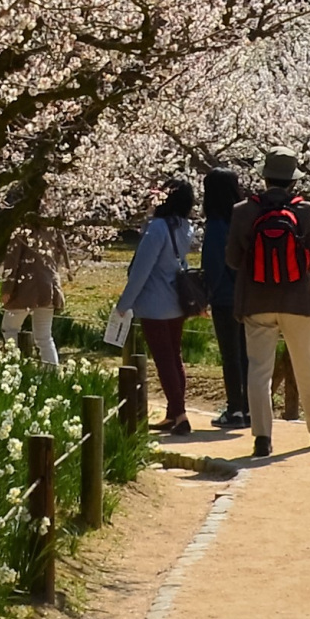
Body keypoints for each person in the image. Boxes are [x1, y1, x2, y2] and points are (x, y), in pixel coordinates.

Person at [225, 151, 310, 458]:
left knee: (259, 370)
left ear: (264, 176)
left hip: (256, 299)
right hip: (298, 299)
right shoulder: (306, 210)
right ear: (292, 180)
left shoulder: (243, 211)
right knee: (308, 366)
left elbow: (232, 259)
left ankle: (262, 438)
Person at [114, 180, 196, 433]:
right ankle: (173, 414)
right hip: (176, 301)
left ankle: (180, 414)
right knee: (174, 356)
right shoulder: (185, 227)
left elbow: (141, 269)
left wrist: (124, 304)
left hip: (155, 304)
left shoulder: (158, 228)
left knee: (164, 359)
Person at [201, 164, 248, 430]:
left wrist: (206, 294)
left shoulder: (217, 225)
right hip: (248, 295)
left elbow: (215, 266)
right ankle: (250, 407)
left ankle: (235, 409)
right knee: (247, 355)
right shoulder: (243, 219)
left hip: (224, 298)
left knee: (230, 355)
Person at [0, 228, 63, 368]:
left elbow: (12, 260)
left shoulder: (21, 227)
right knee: (44, 337)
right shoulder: (52, 226)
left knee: (9, 329)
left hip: (25, 288)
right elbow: (60, 252)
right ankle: (52, 373)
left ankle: (12, 367)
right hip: (49, 286)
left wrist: (7, 289)